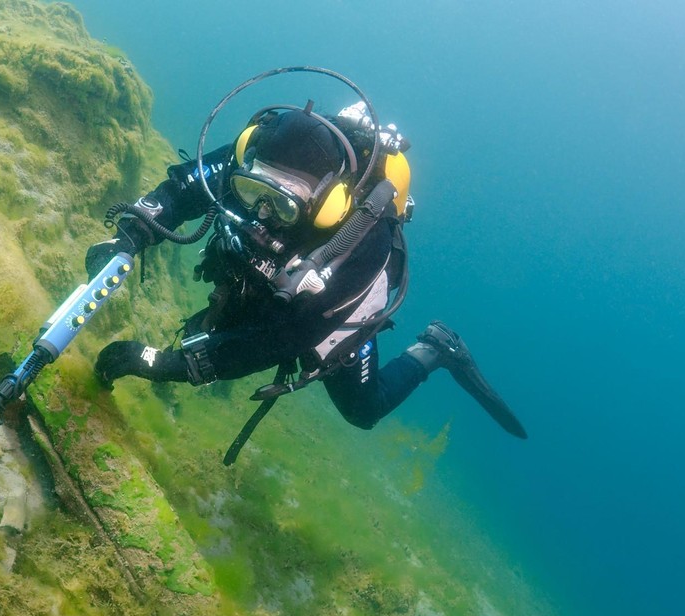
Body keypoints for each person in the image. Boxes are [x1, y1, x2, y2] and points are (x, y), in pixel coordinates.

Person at [84, 80, 526, 460]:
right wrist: (130, 237)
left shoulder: (363, 245)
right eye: (251, 189)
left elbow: (284, 340)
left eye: (283, 203)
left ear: (325, 203)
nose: (261, 212)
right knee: (215, 329)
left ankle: (435, 351)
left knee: (363, 410)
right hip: (264, 284)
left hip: (323, 310)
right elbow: (186, 186)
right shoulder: (259, 151)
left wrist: (164, 365)